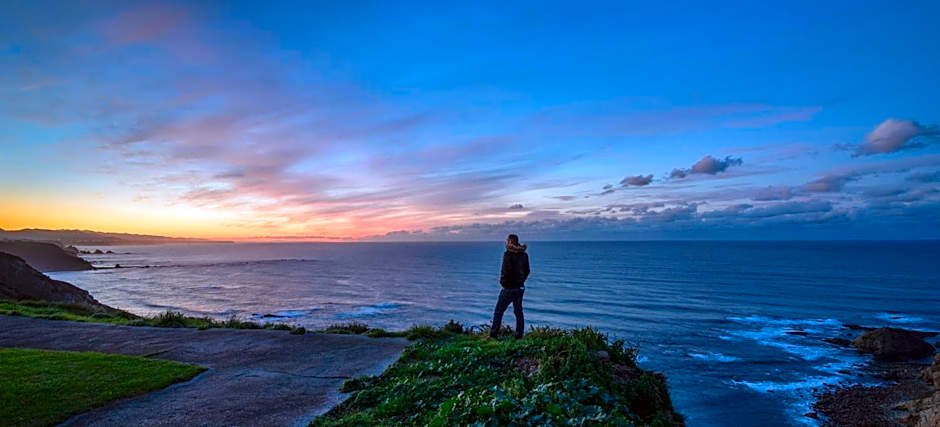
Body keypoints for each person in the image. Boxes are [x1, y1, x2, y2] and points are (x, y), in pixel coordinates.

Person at [489, 234, 530, 339]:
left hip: (509, 287)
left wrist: (503, 283)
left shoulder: (508, 254)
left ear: (510, 242)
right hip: (520, 287)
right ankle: (519, 335)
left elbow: (505, 271)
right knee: (518, 311)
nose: (506, 242)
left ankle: (493, 335)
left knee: (499, 311)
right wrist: (521, 280)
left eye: (507, 240)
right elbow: (527, 271)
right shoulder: (524, 255)